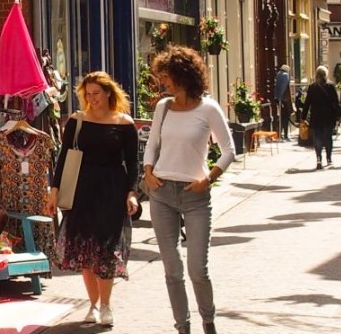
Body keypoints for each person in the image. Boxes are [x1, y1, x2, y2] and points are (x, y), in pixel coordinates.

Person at [142, 46, 236, 334]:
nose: (162, 82)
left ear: (182, 75)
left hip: (195, 195)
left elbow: (229, 150)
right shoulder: (163, 107)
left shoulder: (208, 108)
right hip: (162, 193)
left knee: (197, 269)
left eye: (166, 76)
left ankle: (208, 321)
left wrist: (208, 179)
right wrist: (148, 172)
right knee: (172, 270)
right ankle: (182, 327)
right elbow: (152, 144)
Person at [43, 72, 139, 326]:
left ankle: (106, 305)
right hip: (81, 190)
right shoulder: (77, 120)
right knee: (85, 248)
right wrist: (54, 191)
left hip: (112, 190)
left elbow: (132, 162)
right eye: (88, 94)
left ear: (108, 93)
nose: (92, 98)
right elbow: (64, 158)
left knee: (106, 249)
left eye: (96, 93)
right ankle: (93, 304)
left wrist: (131, 192)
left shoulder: (124, 123)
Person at [300, 65, 341, 170]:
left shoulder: (312, 87)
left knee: (317, 138)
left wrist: (303, 117)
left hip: (316, 117)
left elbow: (307, 103)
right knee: (328, 138)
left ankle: (318, 158)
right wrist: (339, 115)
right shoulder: (330, 86)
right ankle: (329, 158)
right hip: (328, 116)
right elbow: (335, 102)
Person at [274, 64, 293, 140]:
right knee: (286, 117)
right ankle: (285, 134)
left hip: (279, 99)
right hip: (284, 99)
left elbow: (277, 87)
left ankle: (280, 133)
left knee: (281, 116)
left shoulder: (278, 74)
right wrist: (280, 98)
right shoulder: (285, 75)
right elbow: (283, 88)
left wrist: (277, 97)